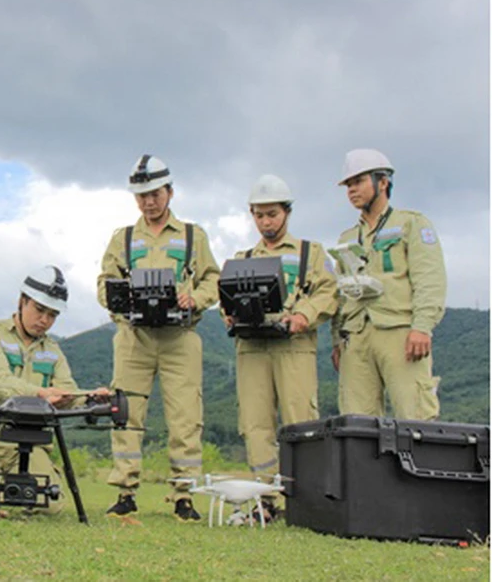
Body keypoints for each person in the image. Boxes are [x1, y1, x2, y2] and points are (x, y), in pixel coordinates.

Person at [97, 155, 220, 521]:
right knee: (126, 414)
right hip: (134, 337)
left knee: (185, 416)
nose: (148, 202)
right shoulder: (123, 238)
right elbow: (105, 283)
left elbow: (212, 279)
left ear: (170, 192)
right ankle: (125, 492)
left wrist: (193, 298)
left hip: (179, 336)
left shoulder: (193, 235)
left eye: (155, 194)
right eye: (142, 196)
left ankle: (184, 495)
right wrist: (122, 303)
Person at [0, 266, 108, 514]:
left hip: (32, 441)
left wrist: (90, 398)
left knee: (49, 507)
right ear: (22, 301)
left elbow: (67, 390)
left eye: (52, 315)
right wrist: (41, 394)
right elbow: (0, 381)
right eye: (39, 310)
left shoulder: (53, 350)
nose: (44, 320)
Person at [226, 174, 337, 522]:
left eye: (272, 214)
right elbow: (227, 296)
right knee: (255, 423)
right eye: (259, 215)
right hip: (252, 347)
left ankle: (306, 501)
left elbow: (329, 292)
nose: (266, 222)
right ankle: (265, 500)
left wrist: (304, 315)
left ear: (287, 212)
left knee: (299, 421)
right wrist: (230, 314)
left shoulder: (310, 253)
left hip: (294, 347)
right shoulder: (242, 257)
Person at [331, 149, 445, 419]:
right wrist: (337, 339)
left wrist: (422, 327)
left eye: (359, 181)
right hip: (356, 335)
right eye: (348, 185)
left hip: (400, 331)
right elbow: (340, 293)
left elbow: (429, 279)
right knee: (357, 421)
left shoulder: (411, 224)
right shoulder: (347, 238)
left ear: (382, 182)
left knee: (414, 414)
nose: (352, 190)